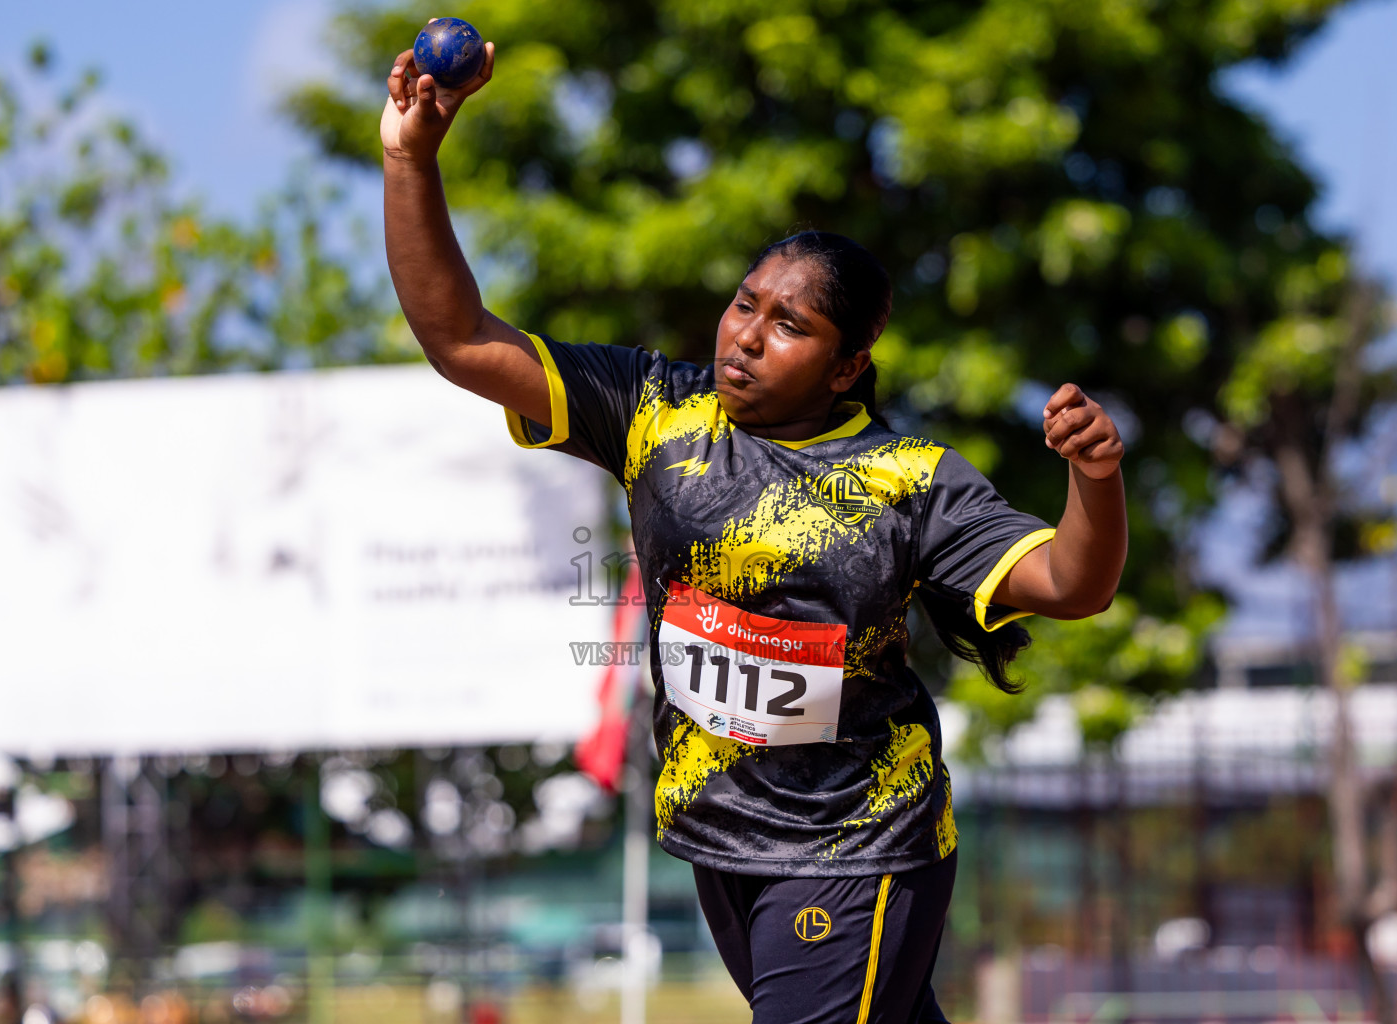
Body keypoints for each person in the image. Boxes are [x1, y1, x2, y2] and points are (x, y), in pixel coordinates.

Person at [382, 35, 1127, 1024]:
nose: (745, 333)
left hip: (853, 848)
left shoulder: (909, 483)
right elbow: (462, 338)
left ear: (848, 365)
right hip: (719, 836)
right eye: (745, 303)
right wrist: (411, 162)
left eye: (789, 325)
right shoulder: (659, 411)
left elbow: (1076, 583)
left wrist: (1097, 477)